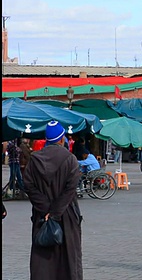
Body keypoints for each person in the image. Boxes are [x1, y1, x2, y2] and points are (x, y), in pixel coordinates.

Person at [23, 120, 83, 280]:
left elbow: (28, 186)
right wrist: (55, 212)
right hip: (66, 215)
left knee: (43, 261)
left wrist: (46, 209)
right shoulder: (70, 159)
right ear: (62, 139)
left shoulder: (34, 160)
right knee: (68, 258)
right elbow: (70, 190)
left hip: (42, 216)